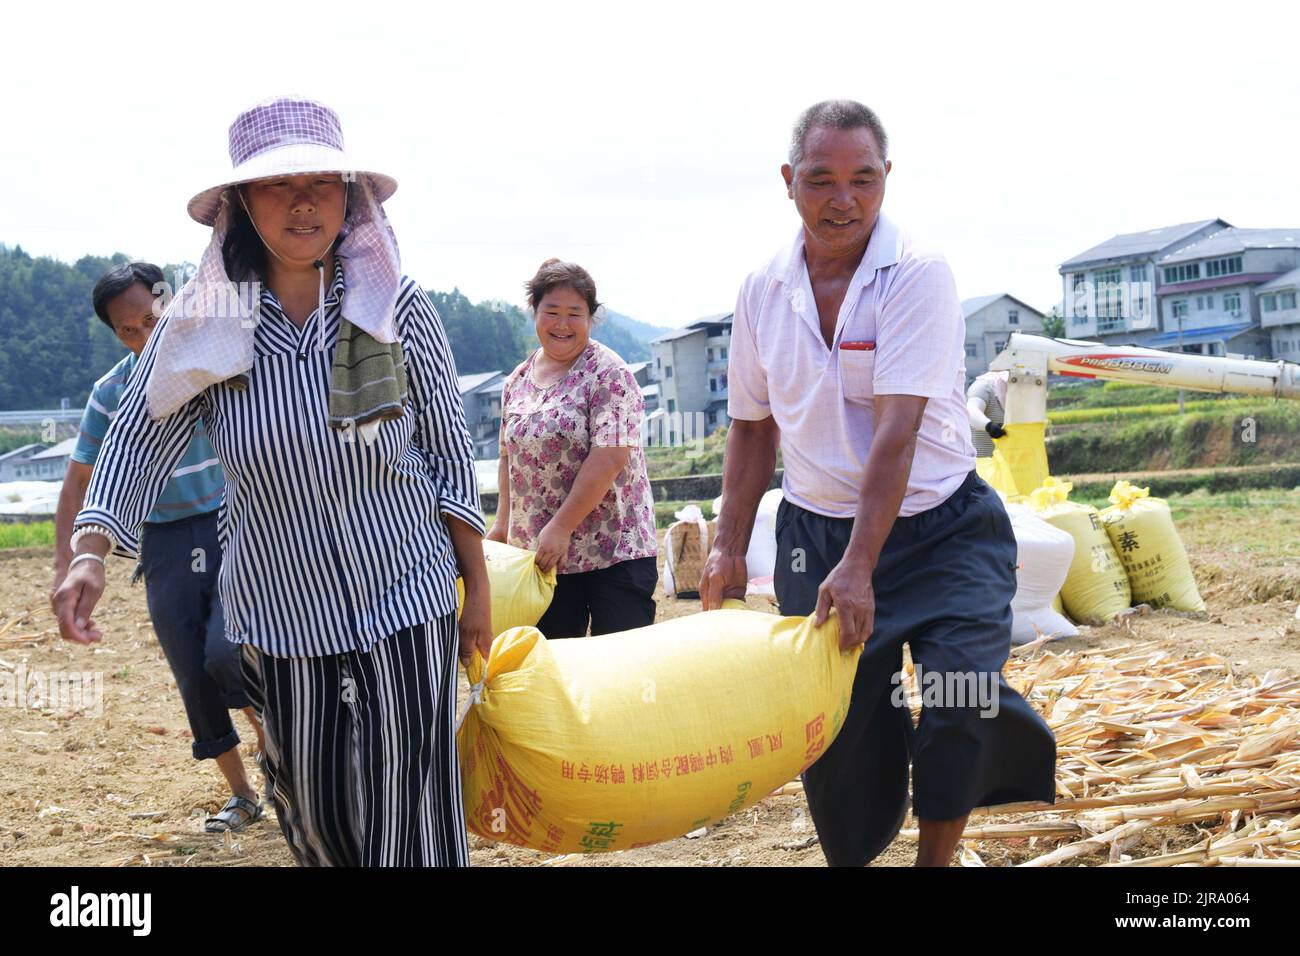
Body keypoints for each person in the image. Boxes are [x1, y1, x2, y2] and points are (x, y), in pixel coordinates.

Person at [53, 96, 491, 867]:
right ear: (239, 206)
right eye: (276, 185)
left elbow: (449, 451)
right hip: (281, 612)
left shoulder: (390, 306)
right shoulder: (207, 319)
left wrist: (476, 587)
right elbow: (137, 434)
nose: (302, 202)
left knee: (407, 813)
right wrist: (90, 547)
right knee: (319, 819)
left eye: (321, 183)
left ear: (348, 198)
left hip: (406, 589)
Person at [700, 100, 1056, 867]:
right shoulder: (763, 289)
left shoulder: (917, 276)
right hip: (815, 529)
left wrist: (860, 566)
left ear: (886, 179)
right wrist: (727, 548)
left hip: (940, 528)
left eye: (864, 180)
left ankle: (934, 861)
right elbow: (753, 428)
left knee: (961, 695)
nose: (844, 199)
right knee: (837, 731)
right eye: (822, 180)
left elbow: (895, 434)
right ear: (789, 182)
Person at [51, 261, 265, 833]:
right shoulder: (112, 393)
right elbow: (78, 482)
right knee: (192, 671)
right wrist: (69, 563)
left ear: (170, 303)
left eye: (152, 318)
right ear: (116, 336)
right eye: (129, 330)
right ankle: (243, 796)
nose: (146, 336)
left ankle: (286, 768)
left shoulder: (216, 364)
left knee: (230, 653)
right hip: (164, 541)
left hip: (235, 522)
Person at [486, 259, 657, 638]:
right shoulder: (517, 380)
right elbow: (507, 455)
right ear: (535, 312)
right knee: (555, 668)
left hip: (614, 551)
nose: (562, 325)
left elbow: (610, 456)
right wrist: (502, 524)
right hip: (544, 557)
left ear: (591, 318)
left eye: (574, 314)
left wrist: (562, 526)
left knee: (620, 669)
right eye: (552, 312)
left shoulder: (611, 374)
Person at [967, 369, 1009, 457]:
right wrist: (989, 426)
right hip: (981, 463)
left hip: (1009, 463)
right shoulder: (984, 387)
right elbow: (971, 411)